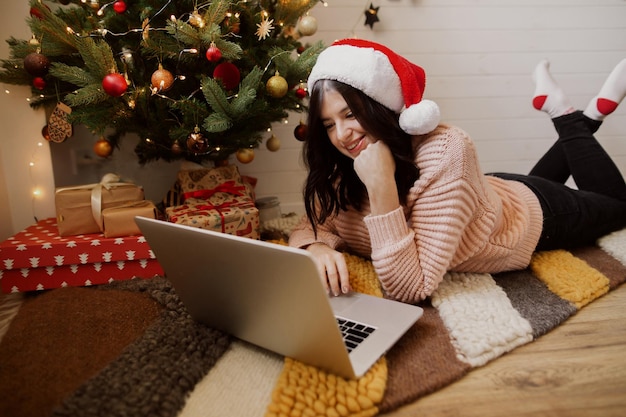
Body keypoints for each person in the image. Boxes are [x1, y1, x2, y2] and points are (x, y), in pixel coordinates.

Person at [288, 38, 626, 304]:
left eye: (350, 114)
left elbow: (410, 287)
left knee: (619, 206)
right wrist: (315, 249)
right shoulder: (345, 166)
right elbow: (311, 225)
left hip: (533, 214)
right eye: (329, 124)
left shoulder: (446, 149)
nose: (341, 135)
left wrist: (381, 189)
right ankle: (589, 115)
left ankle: (565, 113)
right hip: (482, 196)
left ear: (380, 108)